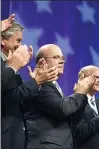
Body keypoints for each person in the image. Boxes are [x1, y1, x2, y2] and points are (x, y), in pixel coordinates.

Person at [24, 44, 95, 148]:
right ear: (42, 62)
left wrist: (83, 94)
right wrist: (79, 94)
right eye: (56, 57)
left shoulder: (54, 87)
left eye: (62, 58)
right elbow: (63, 109)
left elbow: (72, 119)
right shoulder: (42, 86)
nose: (62, 61)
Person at [1, 19, 58, 149]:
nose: (21, 45)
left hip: (16, 136)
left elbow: (17, 99)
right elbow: (7, 98)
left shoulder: (9, 66)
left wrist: (35, 82)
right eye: (18, 40)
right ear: (2, 40)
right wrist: (14, 68)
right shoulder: (8, 66)